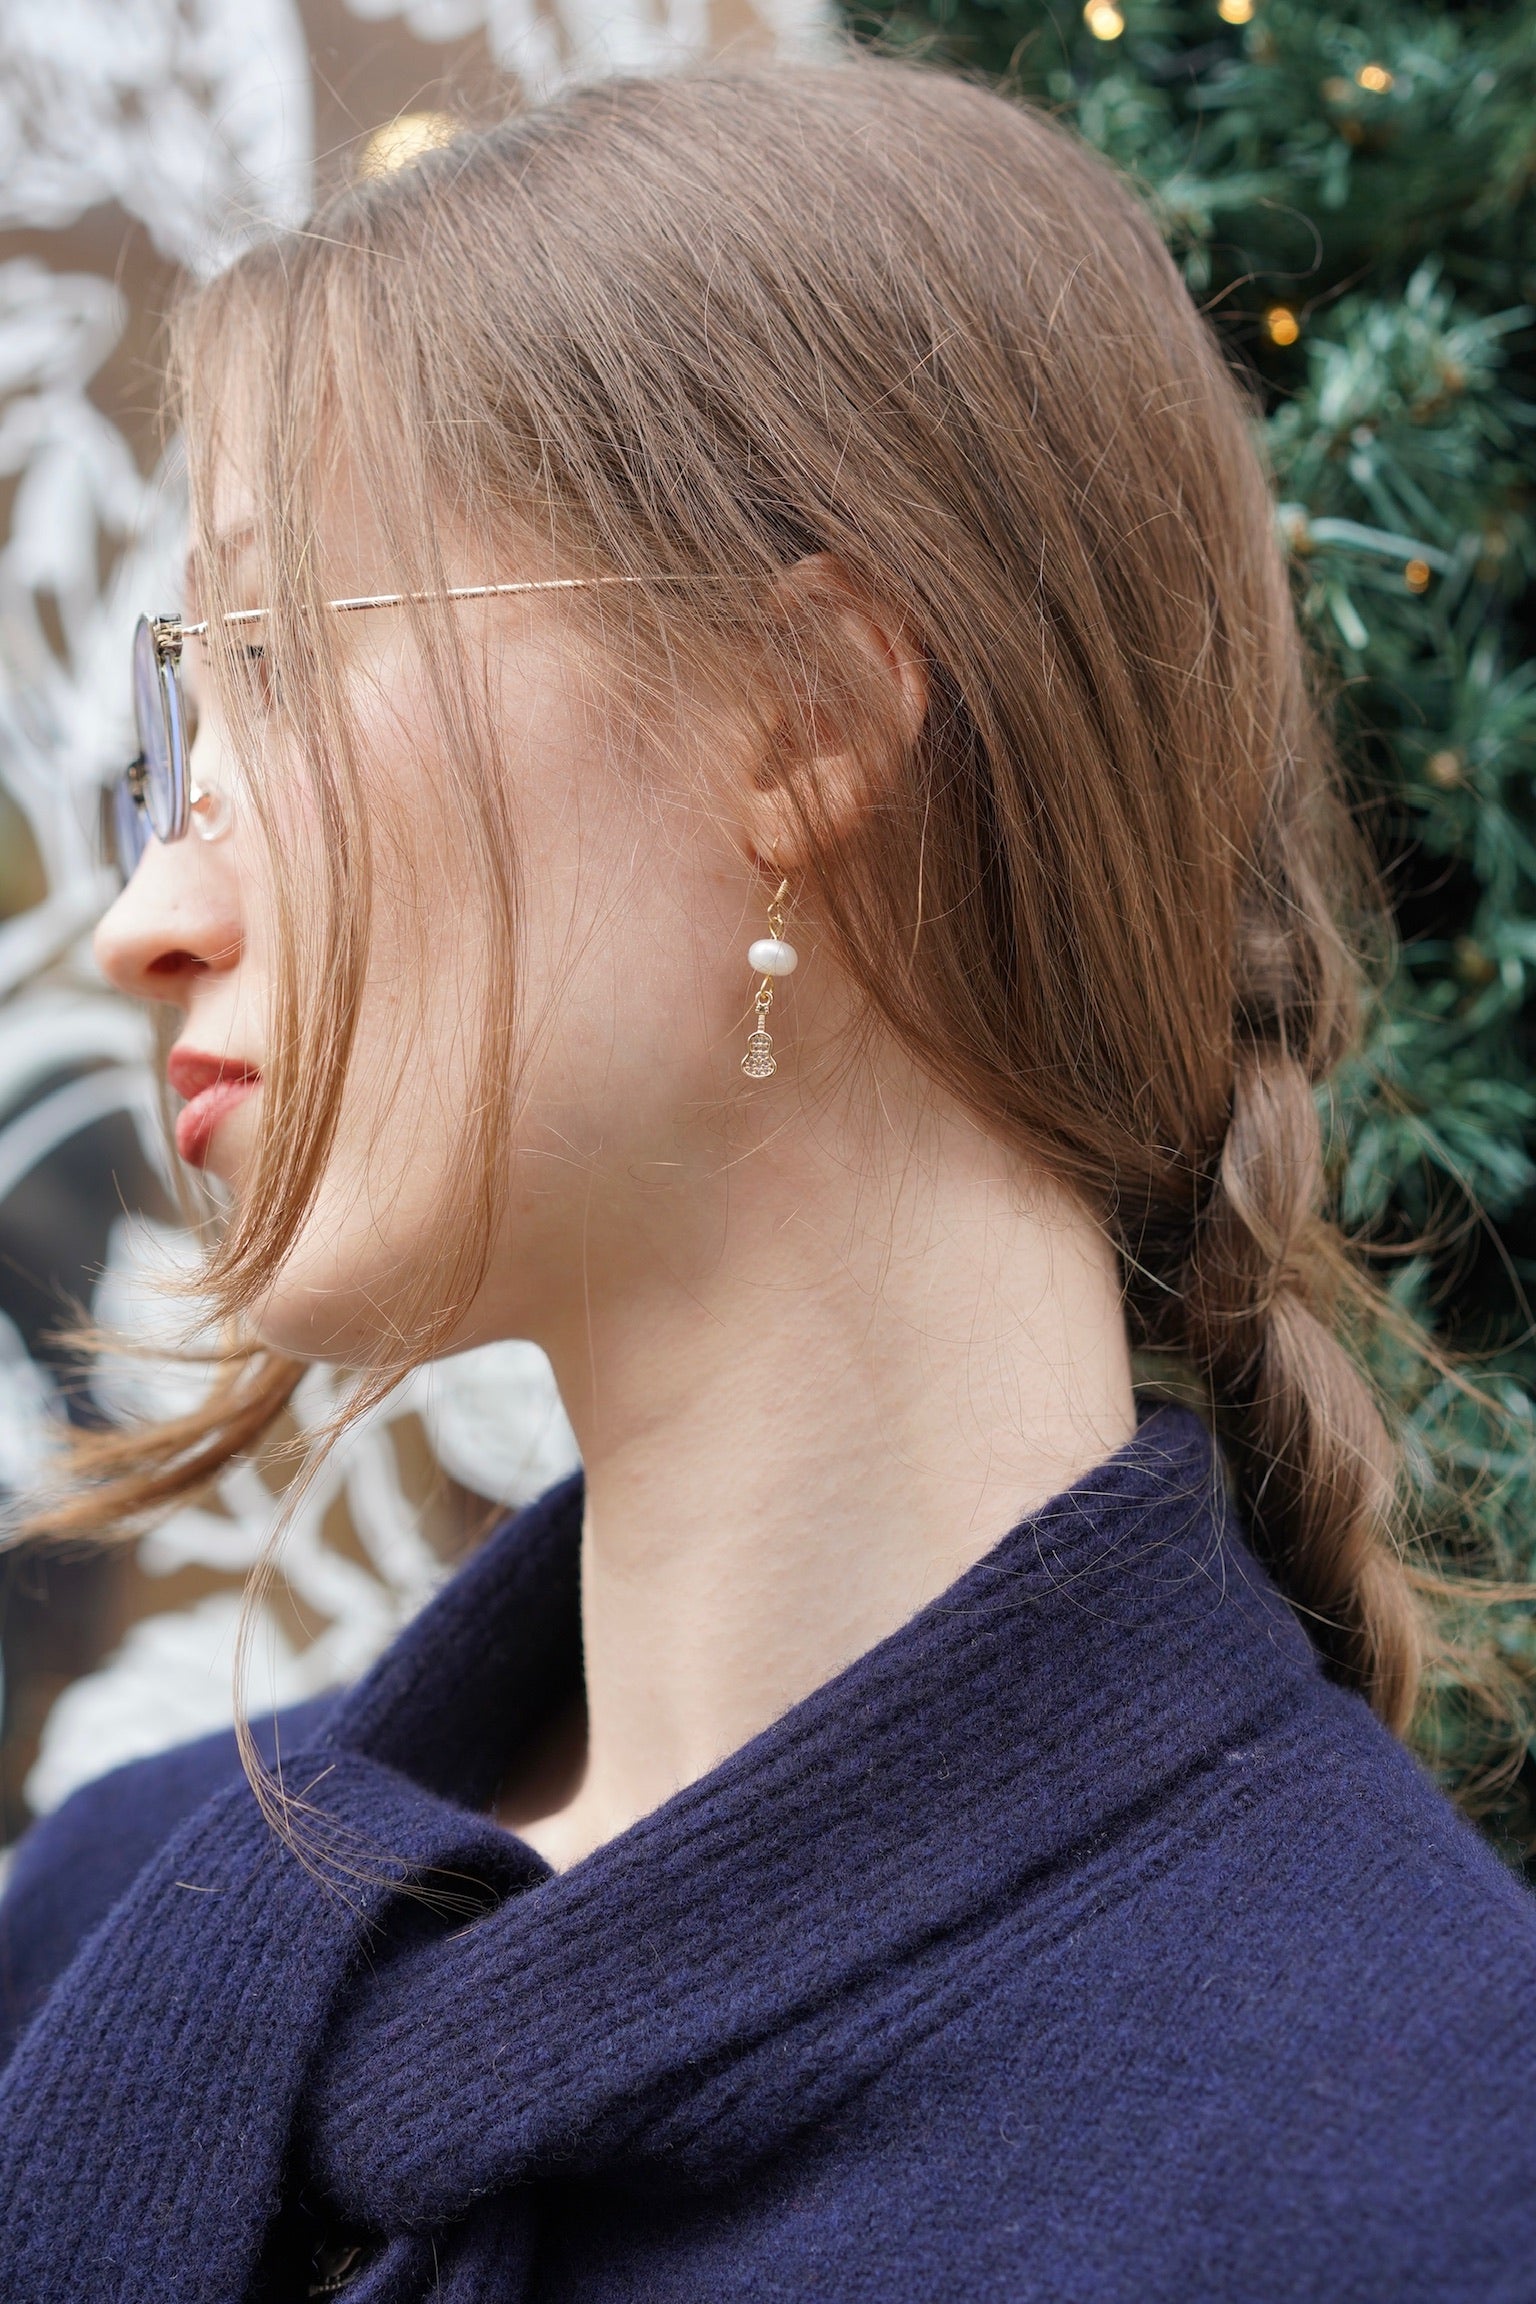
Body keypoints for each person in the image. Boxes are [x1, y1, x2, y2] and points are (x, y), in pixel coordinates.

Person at [2, 53, 1534, 2304]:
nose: (151, 915)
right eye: (180, 724)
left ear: (802, 714)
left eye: (286, 663)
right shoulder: (109, 1932)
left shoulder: (1431, 2162)